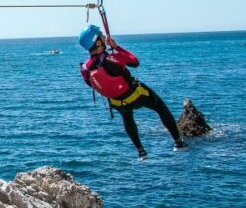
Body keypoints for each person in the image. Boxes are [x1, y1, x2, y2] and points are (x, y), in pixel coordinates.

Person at [79, 24, 188, 158]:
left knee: (127, 117)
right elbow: (134, 62)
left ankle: (141, 151)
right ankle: (178, 142)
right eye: (101, 35)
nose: (103, 36)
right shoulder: (112, 58)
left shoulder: (84, 69)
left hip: (117, 102)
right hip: (136, 95)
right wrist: (116, 47)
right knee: (160, 107)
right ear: (98, 41)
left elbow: (92, 85)